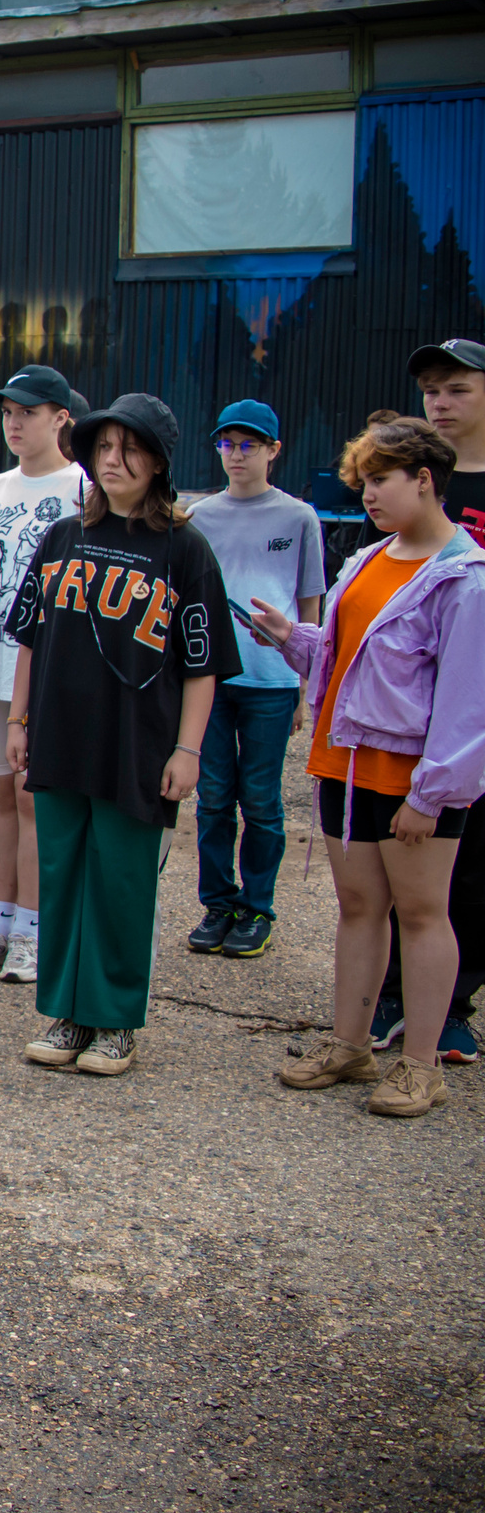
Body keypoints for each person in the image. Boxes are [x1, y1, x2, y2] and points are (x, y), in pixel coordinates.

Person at [5, 392, 239, 1078]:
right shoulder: (63, 536)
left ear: (160, 462)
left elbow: (203, 665)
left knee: (123, 879)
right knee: (64, 872)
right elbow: (29, 637)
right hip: (61, 734)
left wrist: (189, 749)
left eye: (129, 448)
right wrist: (19, 720)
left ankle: (115, 1021)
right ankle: (67, 1010)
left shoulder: (185, 549)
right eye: (104, 447)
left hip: (137, 740)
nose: (113, 460)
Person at [265, 417, 483, 1117]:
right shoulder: (368, 559)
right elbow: (350, 658)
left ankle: (421, 1065)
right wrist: (294, 640)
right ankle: (351, 1043)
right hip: (346, 765)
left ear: (425, 480)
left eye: (381, 480)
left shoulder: (464, 578)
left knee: (422, 913)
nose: (368, 495)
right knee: (359, 908)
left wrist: (433, 791)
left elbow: (467, 702)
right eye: (363, 482)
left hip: (413, 780)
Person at [0, 365, 89, 980]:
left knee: (36, 799)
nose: (14, 423)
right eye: (7, 412)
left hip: (48, 668)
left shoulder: (83, 488)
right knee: (3, 795)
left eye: (28, 412)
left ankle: (36, 928)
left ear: (61, 419)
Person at [364, 340, 485, 1061]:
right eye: (432, 391)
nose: (440, 402)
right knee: (391, 858)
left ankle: (452, 1002)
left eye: (458, 390)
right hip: (406, 707)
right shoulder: (413, 478)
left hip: (473, 702)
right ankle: (390, 996)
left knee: (471, 861)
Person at [184, 397, 325, 960]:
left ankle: (257, 906)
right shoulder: (198, 515)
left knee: (262, 800)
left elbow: (310, 603)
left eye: (248, 445)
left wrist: (304, 686)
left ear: (273, 451)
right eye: (226, 444)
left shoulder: (298, 517)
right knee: (214, 796)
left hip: (271, 680)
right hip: (213, 678)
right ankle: (218, 902)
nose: (236, 455)